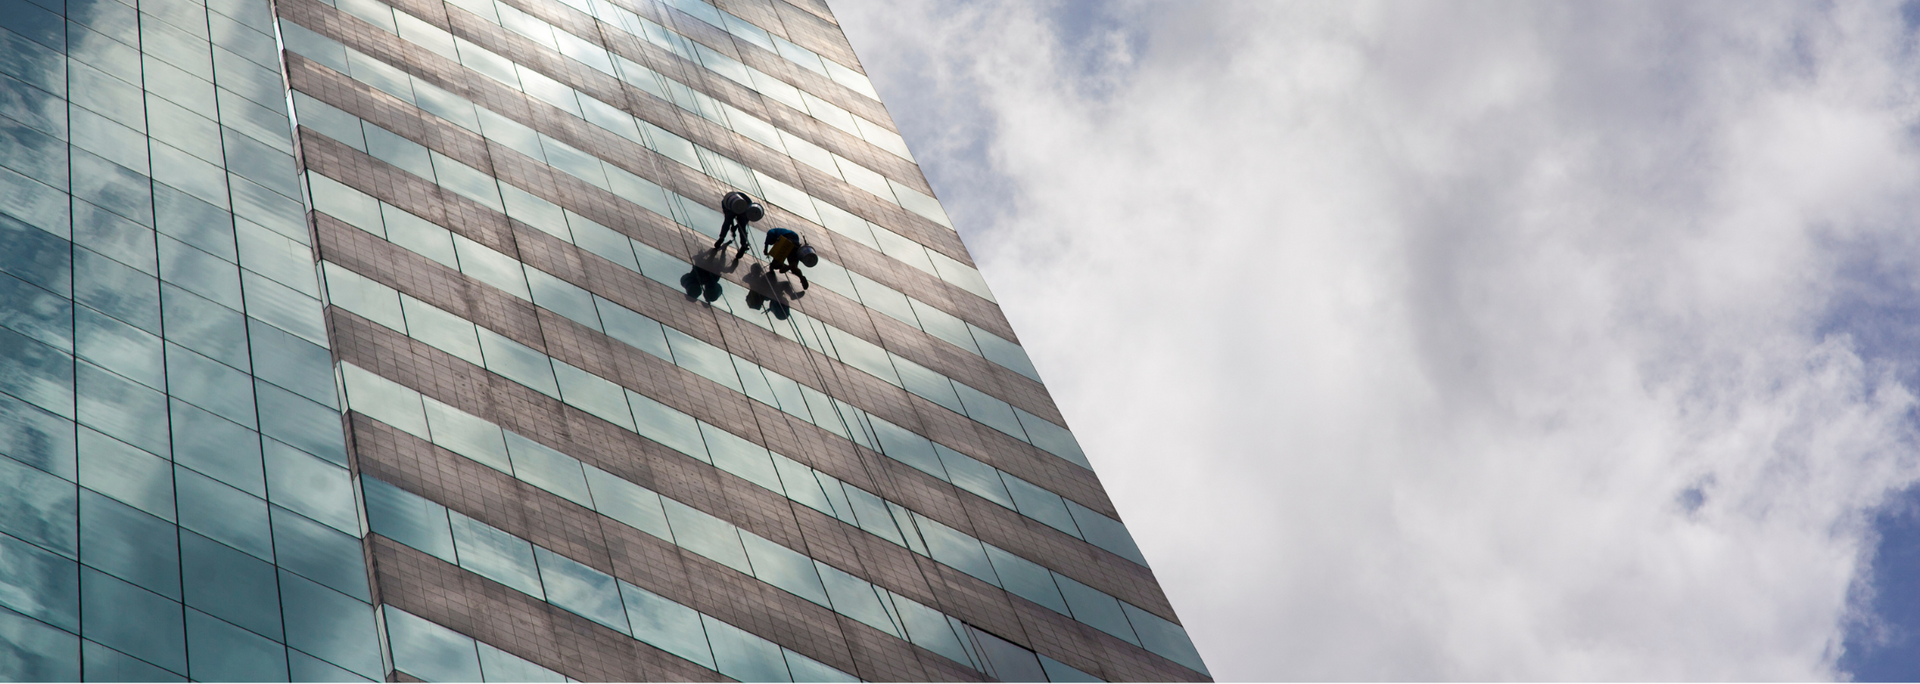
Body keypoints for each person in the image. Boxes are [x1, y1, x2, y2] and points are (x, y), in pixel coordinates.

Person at [714, 191, 764, 258]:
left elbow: (729, 218)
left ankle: (721, 237)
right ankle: (743, 245)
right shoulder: (748, 203)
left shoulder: (725, 202)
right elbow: (743, 221)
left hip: (732, 206)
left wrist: (733, 226)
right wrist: (736, 227)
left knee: (727, 222)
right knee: (742, 228)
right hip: (744, 208)